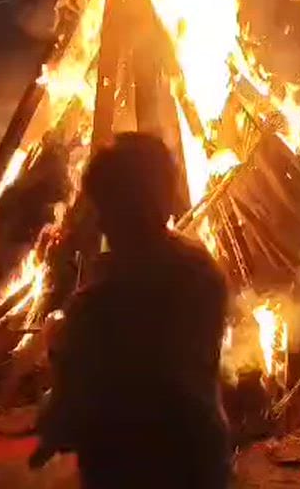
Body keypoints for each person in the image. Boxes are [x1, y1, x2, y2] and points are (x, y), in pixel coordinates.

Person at [31, 132, 231, 489]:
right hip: (203, 462)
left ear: (106, 217)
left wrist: (57, 352)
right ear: (169, 201)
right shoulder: (204, 274)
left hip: (127, 472)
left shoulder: (96, 308)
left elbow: (71, 416)